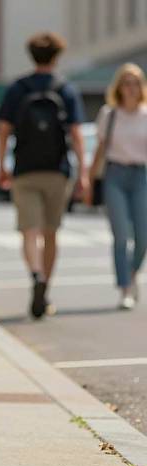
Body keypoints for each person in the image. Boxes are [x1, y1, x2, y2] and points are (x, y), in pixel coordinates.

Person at [0, 32, 88, 319]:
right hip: (58, 171)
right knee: (51, 233)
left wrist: (2, 164)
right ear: (57, 56)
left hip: (24, 169)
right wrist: (83, 172)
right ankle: (45, 288)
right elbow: (76, 134)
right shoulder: (65, 89)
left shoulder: (18, 88)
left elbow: (3, 130)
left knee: (29, 231)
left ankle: (35, 274)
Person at [88, 63, 147, 310]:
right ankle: (124, 287)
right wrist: (88, 180)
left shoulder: (146, 115)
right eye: (126, 82)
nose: (131, 88)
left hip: (141, 175)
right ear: (119, 87)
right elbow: (100, 149)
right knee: (121, 234)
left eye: (135, 83)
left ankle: (133, 274)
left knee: (143, 236)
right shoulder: (108, 114)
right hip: (115, 175)